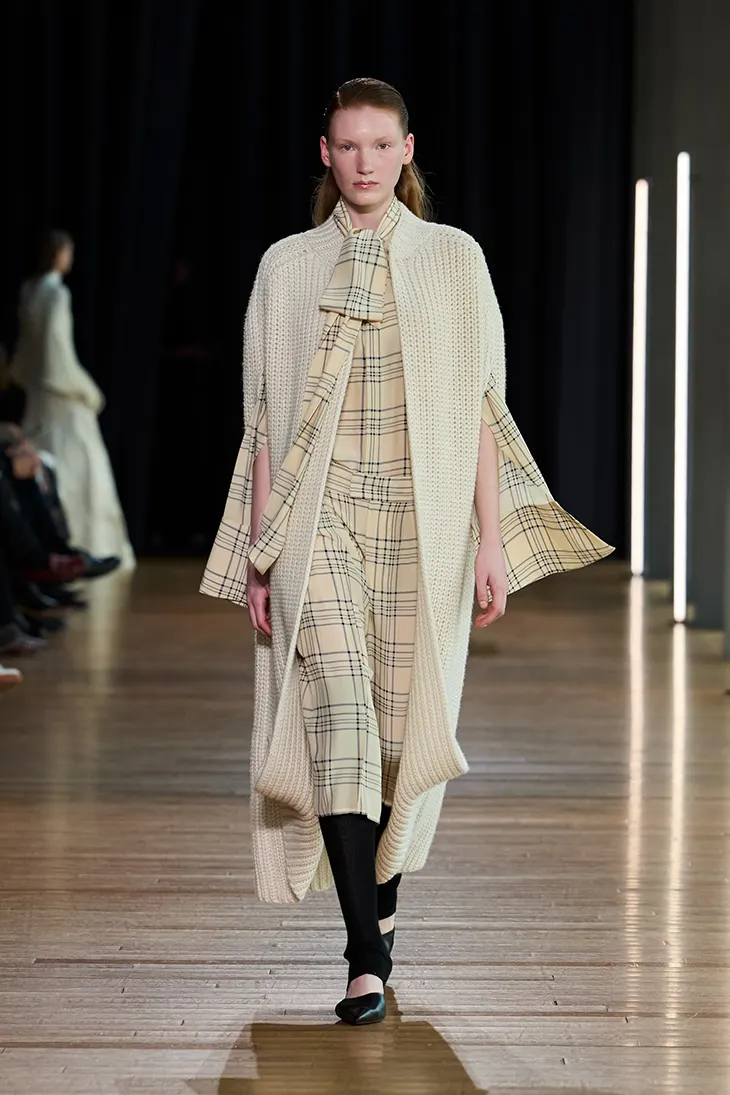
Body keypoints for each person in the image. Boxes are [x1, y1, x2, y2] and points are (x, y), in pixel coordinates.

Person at [201, 78, 614, 1025]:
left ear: (407, 150)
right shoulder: (286, 267)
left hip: (421, 526)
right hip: (318, 521)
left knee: (395, 736)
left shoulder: (453, 259)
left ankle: (379, 908)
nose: (365, 162)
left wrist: (490, 540)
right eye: (348, 146)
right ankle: (365, 955)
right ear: (325, 153)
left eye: (381, 145)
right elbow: (262, 421)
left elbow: (481, 410)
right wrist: (262, 549)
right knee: (340, 719)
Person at [9, 231, 135, 570]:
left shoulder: (30, 290)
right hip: (59, 391)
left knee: (48, 457)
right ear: (59, 254)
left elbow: (29, 348)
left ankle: (52, 549)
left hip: (38, 390)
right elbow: (57, 347)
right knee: (76, 460)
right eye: (68, 252)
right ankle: (77, 545)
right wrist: (82, 387)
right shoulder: (56, 293)